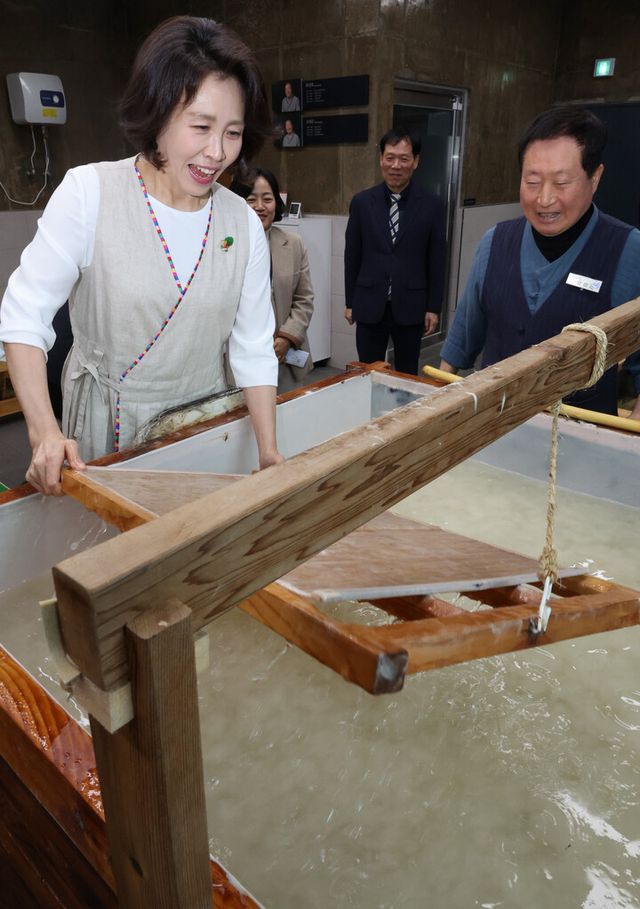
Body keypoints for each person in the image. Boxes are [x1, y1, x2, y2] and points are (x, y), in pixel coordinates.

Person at [0, 15, 284, 496]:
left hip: (202, 425)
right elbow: (24, 315)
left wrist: (269, 450)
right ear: (156, 117)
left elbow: (254, 348)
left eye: (233, 133)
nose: (216, 153)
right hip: (106, 430)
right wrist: (45, 433)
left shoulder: (242, 223)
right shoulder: (90, 193)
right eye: (200, 126)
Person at [440, 106, 640, 417]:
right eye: (532, 182)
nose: (544, 199)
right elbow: (462, 340)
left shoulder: (627, 249)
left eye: (561, 183)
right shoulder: (495, 242)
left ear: (595, 177)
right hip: (491, 428)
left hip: (581, 438)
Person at [344, 127, 446, 375]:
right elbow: (352, 254)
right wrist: (350, 301)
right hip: (369, 303)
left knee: (407, 372)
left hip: (411, 305)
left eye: (404, 158)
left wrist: (433, 307)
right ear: (381, 159)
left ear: (416, 161)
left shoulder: (432, 205)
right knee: (368, 371)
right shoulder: (362, 203)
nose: (396, 165)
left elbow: (437, 258)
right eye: (390, 157)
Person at [232, 168, 314, 392]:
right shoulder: (225, 248)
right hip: (240, 364)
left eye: (267, 199)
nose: (260, 206)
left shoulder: (293, 243)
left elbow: (304, 299)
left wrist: (287, 338)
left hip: (285, 359)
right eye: (251, 199)